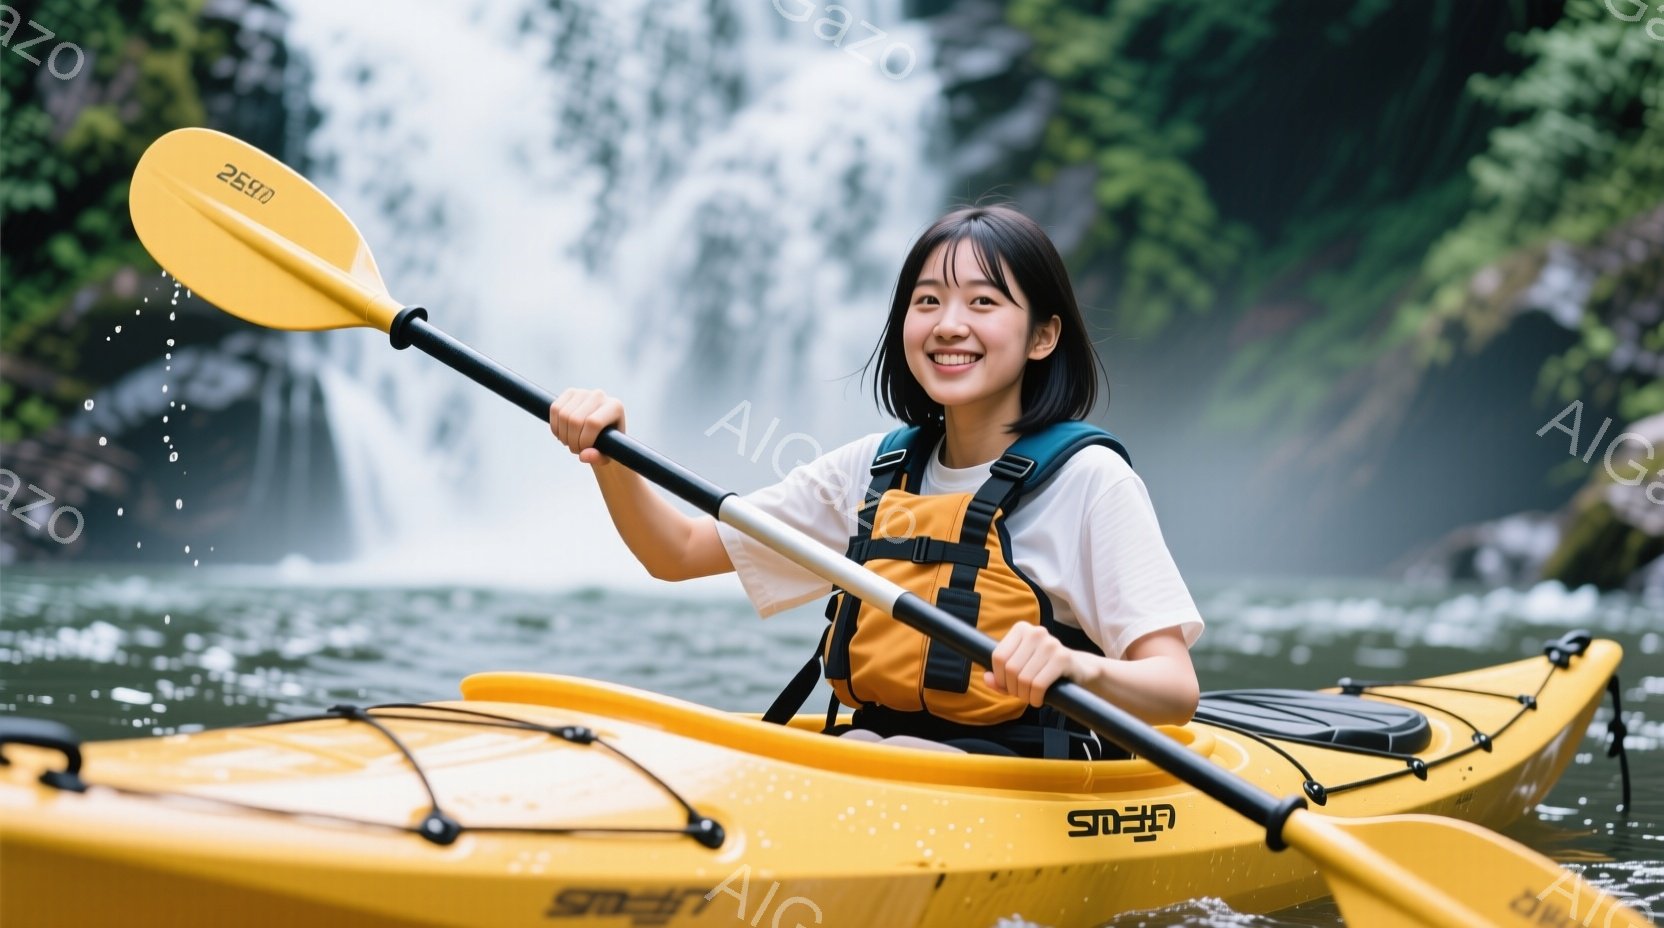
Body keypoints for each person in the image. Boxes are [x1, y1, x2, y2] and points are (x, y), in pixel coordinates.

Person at [550, 203, 1203, 759]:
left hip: (1027, 782)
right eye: (927, 301)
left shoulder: (1090, 481)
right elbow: (679, 553)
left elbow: (1175, 692)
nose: (949, 324)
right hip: (881, 766)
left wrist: (1074, 665)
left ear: (1043, 335)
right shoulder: (873, 469)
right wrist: (612, 456)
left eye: (983, 301)